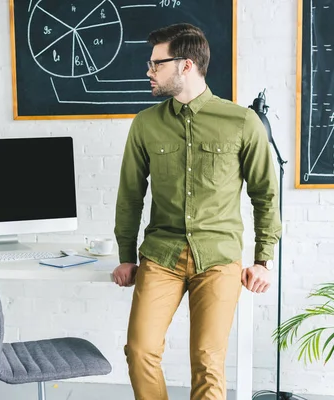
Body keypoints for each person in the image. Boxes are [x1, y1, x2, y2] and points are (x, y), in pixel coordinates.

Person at [112, 23, 282, 400]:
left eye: (157, 63)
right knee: (140, 350)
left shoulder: (242, 122)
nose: (149, 71)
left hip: (218, 258)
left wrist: (264, 260)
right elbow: (130, 196)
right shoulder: (145, 124)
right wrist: (126, 257)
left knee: (207, 359)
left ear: (186, 65)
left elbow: (266, 195)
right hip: (161, 255)